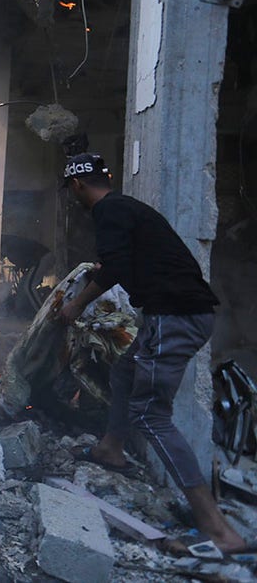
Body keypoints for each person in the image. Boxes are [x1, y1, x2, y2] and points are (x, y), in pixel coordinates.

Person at [58, 152, 245, 554]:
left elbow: (116, 267)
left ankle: (217, 528)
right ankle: (111, 446)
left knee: (150, 415)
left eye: (71, 190)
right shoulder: (126, 207)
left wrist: (77, 305)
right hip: (176, 313)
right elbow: (122, 262)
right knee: (126, 372)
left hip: (174, 317)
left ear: (77, 185)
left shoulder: (107, 211)